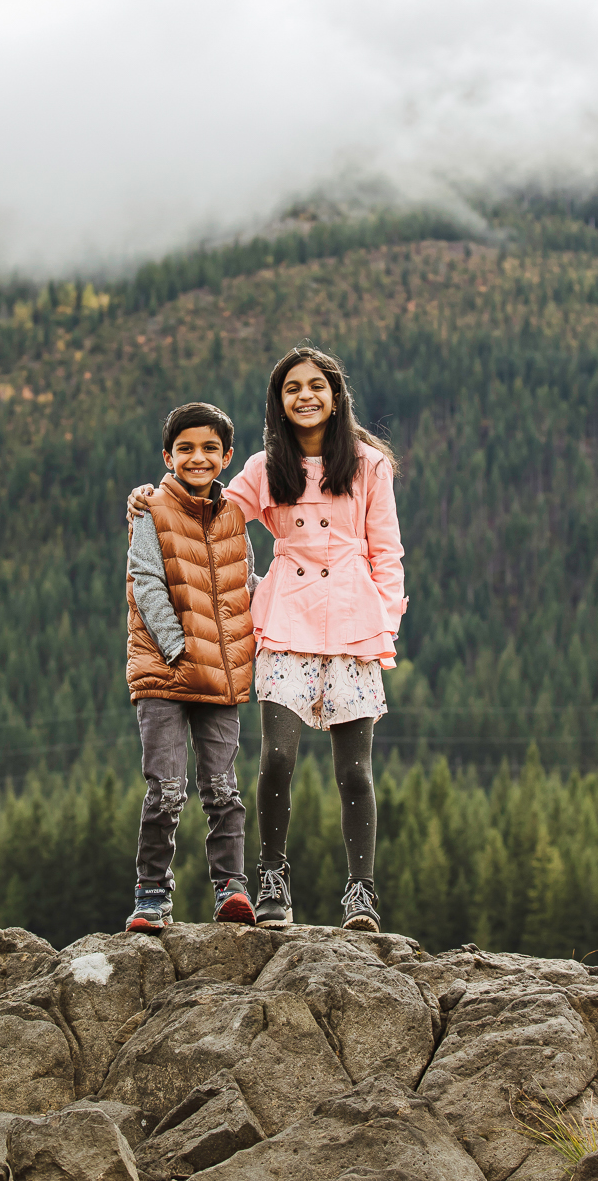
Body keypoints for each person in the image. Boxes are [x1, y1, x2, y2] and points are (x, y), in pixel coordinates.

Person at [130, 346, 404, 931]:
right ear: (278, 403)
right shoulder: (263, 465)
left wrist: (386, 624)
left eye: (316, 385)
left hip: (354, 625)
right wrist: (152, 501)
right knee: (277, 757)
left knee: (355, 771)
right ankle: (272, 879)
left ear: (336, 395)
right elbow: (208, 511)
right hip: (286, 620)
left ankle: (361, 893)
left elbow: (387, 552)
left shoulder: (368, 465)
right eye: (291, 388)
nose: (305, 396)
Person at [123, 401, 260, 934]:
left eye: (208, 448)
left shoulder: (233, 518)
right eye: (185, 448)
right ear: (168, 455)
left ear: (226, 457)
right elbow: (146, 583)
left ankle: (233, 890)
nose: (197, 457)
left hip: (222, 678)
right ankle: (151, 895)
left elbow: (241, 585)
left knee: (223, 788)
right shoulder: (149, 510)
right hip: (166, 672)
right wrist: (178, 648)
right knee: (166, 789)